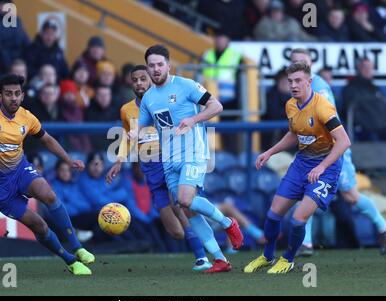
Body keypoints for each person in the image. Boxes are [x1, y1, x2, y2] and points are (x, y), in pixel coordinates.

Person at [0, 74, 95, 276]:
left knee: (48, 195)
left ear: (22, 95)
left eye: (17, 94)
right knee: (39, 225)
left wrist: (68, 160)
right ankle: (70, 260)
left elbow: (47, 139)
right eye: (8, 94)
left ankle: (78, 247)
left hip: (20, 170)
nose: (13, 98)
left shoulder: (27, 117)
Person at [135, 45, 243, 273]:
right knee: (188, 210)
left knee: (185, 200)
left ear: (168, 65)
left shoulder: (185, 85)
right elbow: (142, 126)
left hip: (193, 153)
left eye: (160, 64)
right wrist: (133, 133)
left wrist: (194, 119)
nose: (156, 69)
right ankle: (220, 259)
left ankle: (227, 223)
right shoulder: (148, 98)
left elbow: (216, 105)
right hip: (168, 159)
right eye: (152, 66)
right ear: (147, 68)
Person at [243, 62, 351, 274]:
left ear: (309, 82)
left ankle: (288, 259)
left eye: (298, 80)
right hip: (301, 163)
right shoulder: (291, 104)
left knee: (298, 218)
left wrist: (322, 167)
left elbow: (344, 141)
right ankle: (267, 256)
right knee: (273, 214)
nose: (293, 85)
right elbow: (294, 133)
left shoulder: (323, 107)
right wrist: (269, 152)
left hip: (325, 169)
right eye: (290, 81)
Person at [106, 64, 212, 271]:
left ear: (151, 80)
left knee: (182, 208)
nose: (139, 83)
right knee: (176, 231)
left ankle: (203, 256)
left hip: (168, 159)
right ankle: (202, 244)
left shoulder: (163, 99)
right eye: (135, 80)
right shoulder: (126, 110)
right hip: (149, 167)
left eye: (143, 79)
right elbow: (128, 137)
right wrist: (119, 160)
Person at [291, 49, 386, 256]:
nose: (299, 65)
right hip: (315, 150)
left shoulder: (318, 87)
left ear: (310, 64)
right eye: (295, 62)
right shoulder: (299, 88)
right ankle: (305, 244)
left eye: (302, 62)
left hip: (333, 150)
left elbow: (326, 120)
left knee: (350, 195)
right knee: (307, 192)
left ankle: (383, 227)